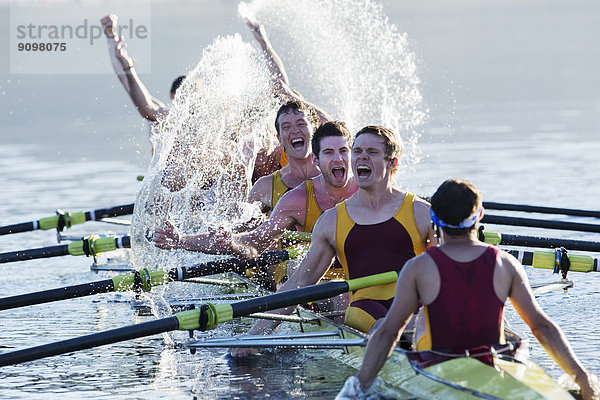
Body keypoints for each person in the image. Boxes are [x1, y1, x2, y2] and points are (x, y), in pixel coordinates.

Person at [341, 178, 599, 399]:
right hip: (494, 363)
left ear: (434, 219)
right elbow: (541, 327)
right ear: (480, 215)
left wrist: (358, 387)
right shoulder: (505, 263)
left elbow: (388, 332)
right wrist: (581, 375)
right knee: (515, 334)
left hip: (437, 363)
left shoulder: (418, 268)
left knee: (416, 324)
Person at [229, 125, 436, 357]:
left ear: (393, 163)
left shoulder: (421, 212)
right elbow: (301, 281)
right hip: (365, 312)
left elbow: (447, 272)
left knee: (426, 320)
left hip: (413, 309)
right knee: (405, 326)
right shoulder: (332, 221)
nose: (362, 157)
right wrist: (254, 336)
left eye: (372, 152)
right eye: (357, 151)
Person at [153, 121, 357, 278]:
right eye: (329, 152)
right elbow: (252, 242)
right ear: (317, 159)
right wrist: (182, 241)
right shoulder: (293, 199)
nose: (338, 159)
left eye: (343, 151)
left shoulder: (372, 187)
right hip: (312, 281)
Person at [101, 14, 183, 122]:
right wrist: (111, 37)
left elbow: (147, 110)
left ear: (171, 96)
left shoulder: (169, 117)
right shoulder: (170, 117)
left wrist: (128, 67)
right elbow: (128, 82)